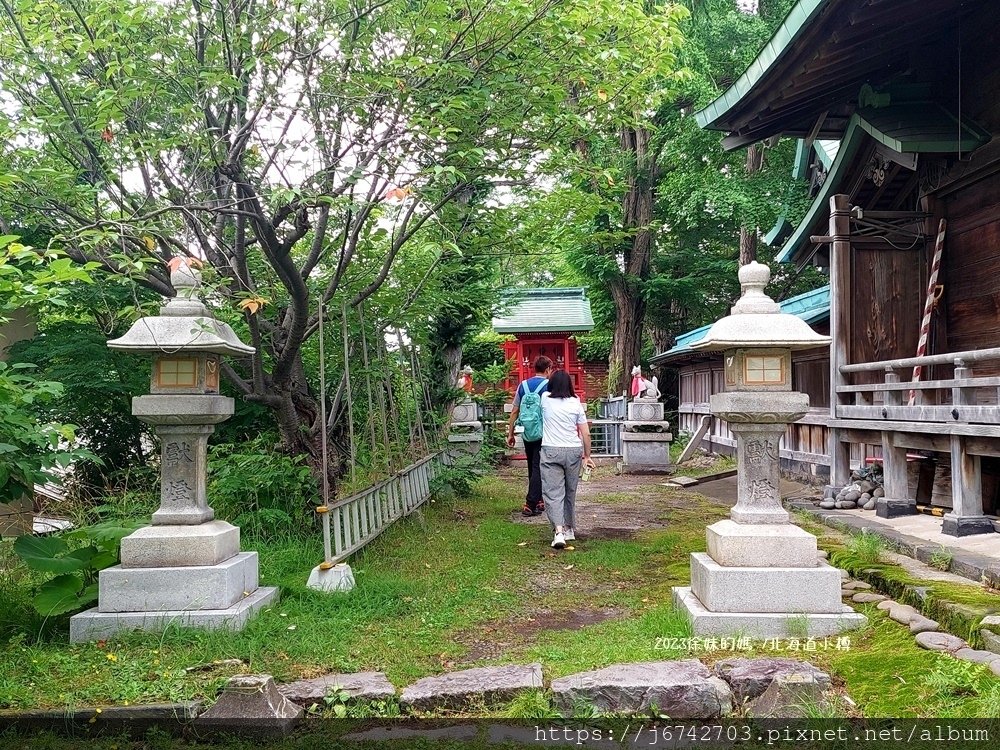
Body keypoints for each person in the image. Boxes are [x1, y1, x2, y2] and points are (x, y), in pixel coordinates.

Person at [539, 369, 595, 549]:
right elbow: (585, 433)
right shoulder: (576, 403)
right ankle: (569, 528)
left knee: (553, 492)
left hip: (551, 450)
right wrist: (587, 456)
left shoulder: (545, 399)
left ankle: (559, 531)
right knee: (570, 491)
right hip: (573, 450)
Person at [506, 356, 553, 516]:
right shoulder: (549, 385)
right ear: (547, 369)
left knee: (532, 465)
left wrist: (510, 433)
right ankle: (531, 503)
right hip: (543, 432)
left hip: (527, 431)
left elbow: (514, 411)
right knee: (539, 466)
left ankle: (538, 500)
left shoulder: (523, 385)